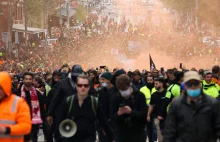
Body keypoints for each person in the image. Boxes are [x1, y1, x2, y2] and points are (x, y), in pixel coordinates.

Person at [163, 71, 220, 142]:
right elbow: (170, 130)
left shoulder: (212, 103)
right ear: (185, 85)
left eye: (195, 83)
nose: (193, 86)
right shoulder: (176, 104)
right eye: (190, 84)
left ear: (200, 84)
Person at [58, 75, 113, 142]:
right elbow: (59, 121)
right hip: (70, 138)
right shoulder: (68, 101)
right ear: (76, 86)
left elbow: (103, 122)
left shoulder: (94, 102)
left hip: (89, 138)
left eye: (85, 85)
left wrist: (111, 137)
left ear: (89, 87)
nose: (83, 88)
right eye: (80, 85)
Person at [111, 74, 147, 142]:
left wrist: (131, 112)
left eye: (125, 89)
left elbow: (144, 114)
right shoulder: (115, 98)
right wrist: (118, 113)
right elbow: (112, 118)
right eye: (121, 90)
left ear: (130, 85)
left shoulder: (140, 96)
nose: (123, 92)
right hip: (121, 134)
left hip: (138, 134)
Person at [0, 72, 31, 142]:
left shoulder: (19, 103)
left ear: (6, 87)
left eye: (0, 88)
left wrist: (6, 129)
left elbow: (26, 127)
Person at [16, 72, 45, 142]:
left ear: (32, 80)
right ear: (23, 80)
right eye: (26, 79)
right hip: (20, 123)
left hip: (33, 125)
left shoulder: (38, 94)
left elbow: (42, 107)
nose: (28, 81)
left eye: (30, 79)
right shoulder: (17, 93)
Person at [147, 78, 166, 142]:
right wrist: (148, 115)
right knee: (157, 132)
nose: (154, 85)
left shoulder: (167, 93)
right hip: (156, 117)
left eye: (156, 84)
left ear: (161, 84)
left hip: (166, 117)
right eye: (154, 84)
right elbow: (151, 106)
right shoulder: (153, 95)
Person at [140, 75, 156, 142]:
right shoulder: (142, 89)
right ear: (146, 80)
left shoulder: (156, 88)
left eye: (151, 80)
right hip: (146, 111)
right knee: (148, 128)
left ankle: (154, 140)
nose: (149, 81)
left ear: (153, 80)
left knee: (154, 128)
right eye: (148, 80)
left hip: (155, 111)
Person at [98, 71, 114, 142]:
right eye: (100, 79)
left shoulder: (115, 92)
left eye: (103, 79)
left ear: (109, 80)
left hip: (113, 123)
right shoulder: (101, 92)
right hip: (103, 123)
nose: (101, 81)